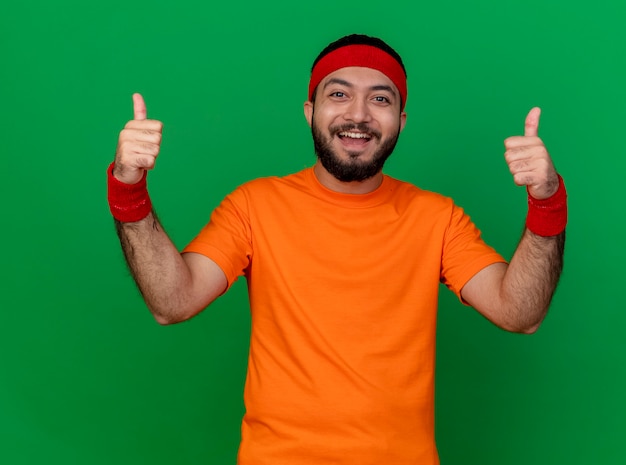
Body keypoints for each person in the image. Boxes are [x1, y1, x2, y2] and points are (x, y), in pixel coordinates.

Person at [108, 34, 566, 465]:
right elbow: (173, 301)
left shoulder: (437, 217)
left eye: (381, 98)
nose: (359, 114)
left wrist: (546, 200)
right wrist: (130, 189)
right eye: (339, 94)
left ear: (401, 121)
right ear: (310, 111)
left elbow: (519, 312)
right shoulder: (254, 206)